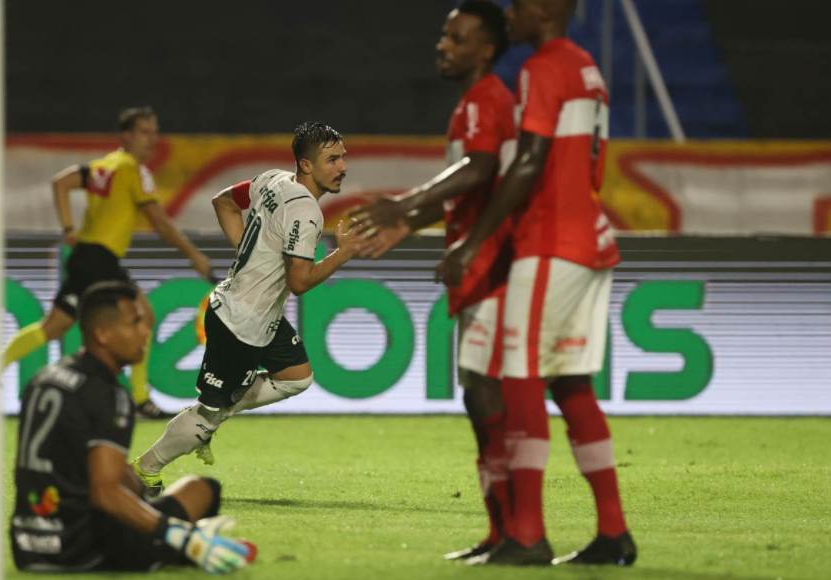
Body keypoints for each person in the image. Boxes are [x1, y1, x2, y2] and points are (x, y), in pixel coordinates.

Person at [437, 0, 636, 567]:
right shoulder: (585, 67)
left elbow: (528, 162)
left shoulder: (541, 67)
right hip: (589, 237)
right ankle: (613, 532)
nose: (512, 13)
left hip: (550, 241)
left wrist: (473, 244)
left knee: (519, 380)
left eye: (520, 5)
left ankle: (525, 534)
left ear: (545, 9)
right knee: (572, 385)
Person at [356, 0, 516, 563]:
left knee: (487, 392)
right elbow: (470, 187)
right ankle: (501, 531)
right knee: (478, 395)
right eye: (444, 36)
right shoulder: (471, 104)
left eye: (456, 37)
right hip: (477, 262)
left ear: (486, 49)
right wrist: (409, 223)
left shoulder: (488, 99)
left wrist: (406, 202)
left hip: (496, 265)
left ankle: (517, 531)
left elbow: (480, 169)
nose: (442, 45)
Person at [131, 122, 367, 494]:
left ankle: (218, 408)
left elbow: (223, 202)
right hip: (242, 323)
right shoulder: (307, 212)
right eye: (333, 159)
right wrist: (343, 254)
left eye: (343, 158)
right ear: (306, 165)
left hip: (256, 314)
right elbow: (300, 282)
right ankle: (145, 470)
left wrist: (249, 254)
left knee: (297, 376)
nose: (343, 167)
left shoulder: (273, 179)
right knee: (207, 416)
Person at [10, 281, 254, 574]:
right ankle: (186, 546)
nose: (145, 331)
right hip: (83, 552)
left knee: (177, 490)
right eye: (134, 322)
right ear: (102, 334)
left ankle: (172, 535)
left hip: (27, 546)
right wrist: (178, 533)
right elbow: (105, 492)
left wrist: (139, 495)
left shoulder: (43, 379)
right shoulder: (108, 394)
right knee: (205, 490)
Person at [0, 107, 213, 420]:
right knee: (143, 315)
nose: (151, 140)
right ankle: (139, 398)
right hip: (99, 259)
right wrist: (194, 255)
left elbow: (61, 182)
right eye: (144, 132)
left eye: (154, 133)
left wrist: (69, 228)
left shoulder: (104, 165)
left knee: (55, 327)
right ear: (126, 135)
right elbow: (159, 221)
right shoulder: (133, 169)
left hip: (86, 258)